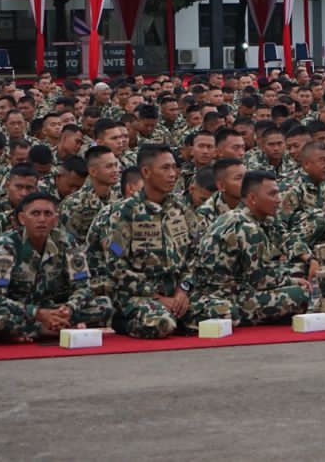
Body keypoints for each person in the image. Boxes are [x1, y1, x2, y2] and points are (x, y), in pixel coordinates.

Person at [97, 144, 231, 338]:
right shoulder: (123, 214)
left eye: (174, 167)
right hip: (139, 296)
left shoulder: (181, 209)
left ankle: (177, 317)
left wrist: (183, 290)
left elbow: (195, 253)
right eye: (165, 168)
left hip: (177, 295)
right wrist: (157, 297)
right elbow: (116, 265)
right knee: (162, 324)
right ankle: (123, 321)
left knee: (223, 311)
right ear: (146, 172)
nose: (173, 174)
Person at [0, 192, 111, 342]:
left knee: (104, 305)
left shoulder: (67, 243)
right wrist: (37, 313)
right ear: (22, 219)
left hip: (55, 308)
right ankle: (44, 330)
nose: (42, 219)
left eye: (48, 214)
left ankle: (51, 326)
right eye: (35, 214)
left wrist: (68, 309)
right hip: (21, 311)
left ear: (56, 219)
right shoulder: (5, 247)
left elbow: (84, 287)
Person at [191, 171, 313, 327]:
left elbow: (284, 239)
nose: (279, 199)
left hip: (227, 288)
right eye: (272, 194)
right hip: (223, 296)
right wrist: (292, 281)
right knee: (300, 294)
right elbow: (261, 281)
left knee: (296, 273)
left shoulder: (242, 216)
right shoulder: (248, 227)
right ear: (253, 198)